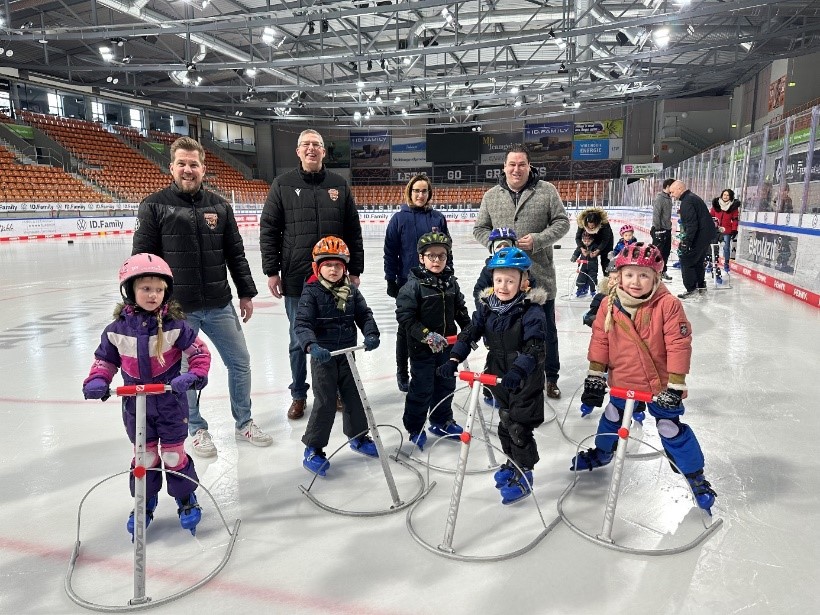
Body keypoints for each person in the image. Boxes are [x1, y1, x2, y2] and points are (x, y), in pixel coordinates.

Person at [133, 137, 271, 457]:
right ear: (171, 167)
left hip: (219, 302)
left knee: (240, 362)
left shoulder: (220, 205)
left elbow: (235, 254)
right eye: (181, 163)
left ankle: (244, 421)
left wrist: (246, 293)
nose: (188, 169)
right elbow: (142, 260)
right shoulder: (154, 205)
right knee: (185, 373)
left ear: (203, 168)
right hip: (179, 310)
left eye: (193, 164)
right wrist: (146, 306)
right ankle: (196, 428)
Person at [570, 243, 716, 514]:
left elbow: (678, 344)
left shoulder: (668, 305)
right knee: (613, 415)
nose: (635, 282)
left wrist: (675, 384)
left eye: (643, 276)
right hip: (623, 378)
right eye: (629, 275)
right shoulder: (609, 303)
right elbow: (600, 340)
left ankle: (695, 476)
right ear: (619, 276)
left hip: (658, 384)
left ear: (655, 278)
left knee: (669, 428)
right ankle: (603, 451)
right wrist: (595, 375)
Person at [82, 254, 212, 537]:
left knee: (174, 456)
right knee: (144, 457)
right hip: (135, 404)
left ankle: (186, 496)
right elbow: (105, 360)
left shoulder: (177, 326)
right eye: (145, 288)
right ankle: (145, 499)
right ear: (130, 290)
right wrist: (97, 379)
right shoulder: (116, 331)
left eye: (159, 289)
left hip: (170, 401)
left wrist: (194, 375)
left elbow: (200, 353)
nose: (153, 295)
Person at [260, 129, 365, 420]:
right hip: (297, 277)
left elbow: (353, 230)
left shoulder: (338, 184)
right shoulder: (282, 184)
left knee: (340, 336)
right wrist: (272, 271)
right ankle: (298, 394)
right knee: (298, 340)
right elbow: (269, 229)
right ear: (297, 151)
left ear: (323, 151)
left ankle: (339, 391)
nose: (311, 149)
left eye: (316, 145)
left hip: (336, 277)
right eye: (305, 145)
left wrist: (355, 269)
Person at [439, 247, 547, 505]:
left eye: (510, 281)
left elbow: (535, 347)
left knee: (519, 426)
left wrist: (519, 370)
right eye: (499, 280)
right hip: (498, 371)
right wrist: (454, 358)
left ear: (524, 282)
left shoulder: (531, 311)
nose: (503, 286)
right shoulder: (488, 307)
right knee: (505, 420)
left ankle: (525, 472)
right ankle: (512, 463)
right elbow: (471, 332)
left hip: (524, 375)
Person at [474, 145, 570, 399]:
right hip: (504, 280)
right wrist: (494, 244)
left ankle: (551, 377)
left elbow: (563, 222)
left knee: (546, 330)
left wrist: (539, 239)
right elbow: (479, 228)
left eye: (522, 164)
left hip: (539, 277)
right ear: (504, 167)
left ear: (529, 166)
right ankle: (500, 376)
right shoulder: (491, 196)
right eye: (512, 164)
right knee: (502, 331)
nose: (516, 169)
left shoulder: (546, 191)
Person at [294, 236, 381, 477]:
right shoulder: (311, 292)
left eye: (338, 265)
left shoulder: (351, 291)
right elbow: (302, 324)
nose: (333, 270)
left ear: (345, 268)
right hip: (324, 357)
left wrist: (371, 333)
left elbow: (364, 314)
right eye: (328, 265)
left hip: (347, 356)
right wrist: (311, 345)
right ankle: (313, 448)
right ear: (317, 268)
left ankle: (358, 437)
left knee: (354, 398)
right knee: (325, 402)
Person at [396, 231, 471, 450]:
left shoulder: (451, 283)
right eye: (431, 255)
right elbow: (406, 318)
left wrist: (469, 330)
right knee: (422, 388)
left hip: (447, 348)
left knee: (446, 384)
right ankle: (415, 427)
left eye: (441, 255)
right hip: (422, 349)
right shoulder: (412, 286)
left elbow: (460, 309)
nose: (436, 260)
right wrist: (427, 335)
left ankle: (441, 420)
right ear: (421, 258)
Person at [384, 173, 449, 393]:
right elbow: (390, 252)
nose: (420, 195)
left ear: (429, 193)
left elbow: (446, 250)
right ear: (409, 192)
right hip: (407, 283)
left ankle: (429, 368)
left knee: (430, 327)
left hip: (434, 283)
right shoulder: (398, 219)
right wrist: (390, 278)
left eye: (424, 191)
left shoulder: (437, 218)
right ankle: (403, 371)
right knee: (406, 330)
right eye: (416, 191)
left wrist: (448, 273)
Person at [669, 180, 714, 299]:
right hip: (705, 236)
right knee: (698, 261)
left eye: (672, 192)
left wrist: (686, 242)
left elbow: (691, 224)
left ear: (679, 189)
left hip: (699, 237)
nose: (672, 195)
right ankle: (701, 286)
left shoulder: (687, 202)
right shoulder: (693, 198)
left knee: (686, 260)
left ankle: (691, 289)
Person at [574, 206, 615, 274]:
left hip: (605, 240)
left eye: (592, 226)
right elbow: (578, 238)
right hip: (591, 239)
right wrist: (581, 248)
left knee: (606, 260)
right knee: (589, 257)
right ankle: (590, 277)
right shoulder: (582, 222)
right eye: (589, 226)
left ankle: (609, 277)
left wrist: (598, 250)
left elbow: (605, 240)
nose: (590, 228)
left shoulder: (604, 224)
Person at [711, 189, 740, 273]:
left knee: (726, 248)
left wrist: (734, 229)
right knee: (714, 247)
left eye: (727, 195)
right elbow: (711, 216)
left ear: (730, 197)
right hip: (716, 230)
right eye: (724, 195)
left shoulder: (733, 207)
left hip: (727, 230)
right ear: (721, 195)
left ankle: (726, 263)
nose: (725, 196)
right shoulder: (716, 205)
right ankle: (713, 262)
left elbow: (735, 219)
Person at [651, 178, 675, 280]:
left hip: (667, 229)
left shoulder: (668, 198)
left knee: (666, 251)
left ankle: (663, 271)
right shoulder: (660, 198)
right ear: (668, 187)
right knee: (658, 252)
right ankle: (656, 273)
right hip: (659, 229)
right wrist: (657, 229)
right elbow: (656, 214)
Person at [570, 231, 599, 298]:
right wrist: (574, 256)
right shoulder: (582, 246)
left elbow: (597, 252)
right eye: (584, 241)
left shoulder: (595, 246)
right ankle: (581, 289)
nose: (586, 242)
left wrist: (593, 253)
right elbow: (577, 251)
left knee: (592, 279)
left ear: (592, 240)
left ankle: (593, 291)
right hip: (583, 266)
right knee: (581, 278)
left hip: (592, 266)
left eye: (588, 241)